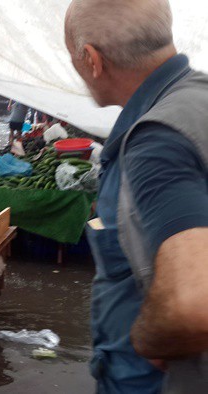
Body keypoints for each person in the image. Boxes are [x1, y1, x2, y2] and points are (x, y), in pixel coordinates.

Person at [66, 0, 208, 392]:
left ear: (92, 59)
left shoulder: (157, 138)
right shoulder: (197, 98)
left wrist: (150, 337)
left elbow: (193, 308)